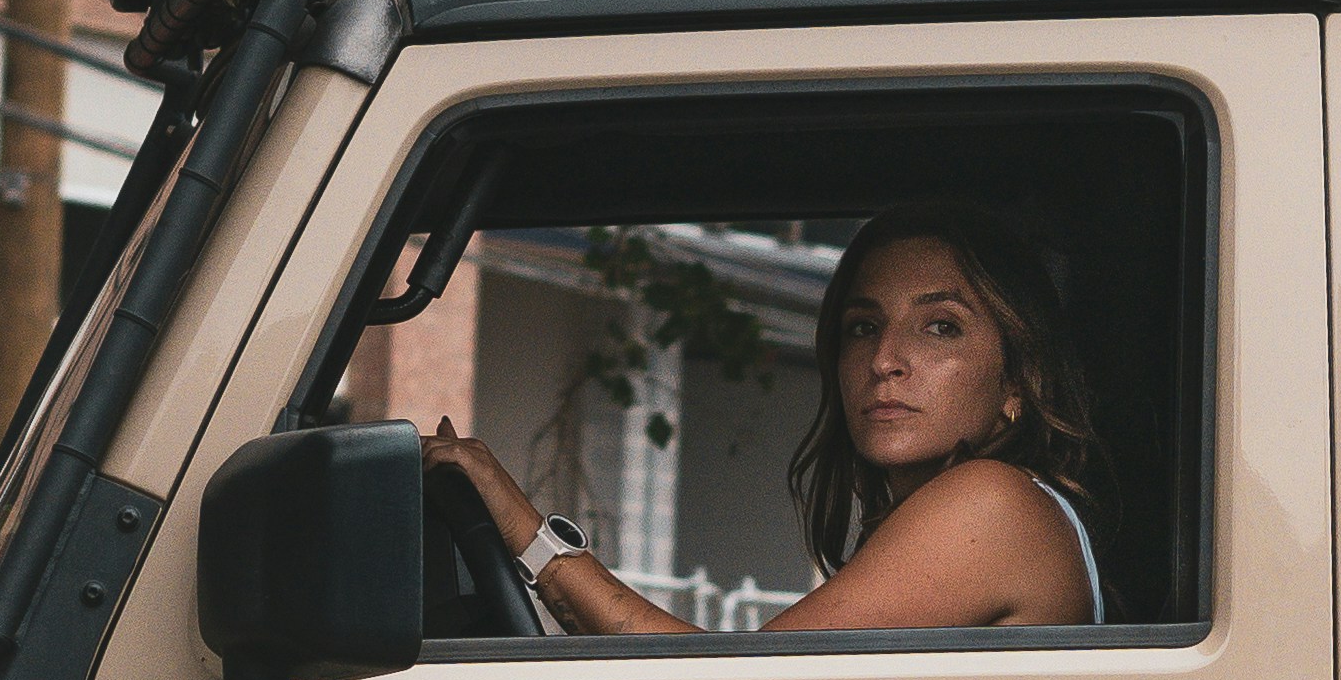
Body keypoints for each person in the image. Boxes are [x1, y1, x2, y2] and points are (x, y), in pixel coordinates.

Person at [427, 203, 1107, 637]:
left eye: (939, 327)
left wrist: (527, 532)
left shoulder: (992, 504)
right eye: (863, 326)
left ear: (1017, 380)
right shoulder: (974, 509)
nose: (884, 359)